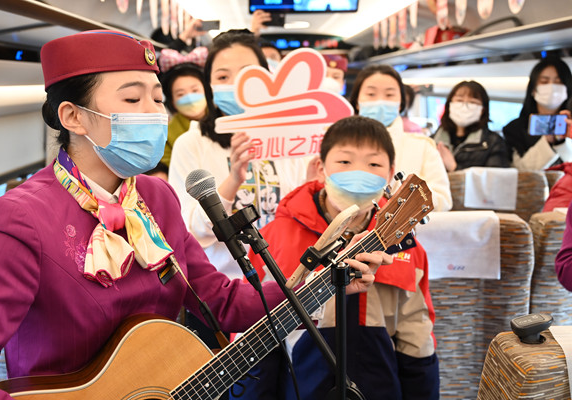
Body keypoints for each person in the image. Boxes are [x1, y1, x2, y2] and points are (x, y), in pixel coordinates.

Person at [0, 30, 381, 398]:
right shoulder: (17, 219)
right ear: (73, 117)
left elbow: (217, 300)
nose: (154, 113)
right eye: (133, 99)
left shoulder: (157, 197)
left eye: (157, 99)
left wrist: (323, 282)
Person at [230, 116, 439, 400]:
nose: (359, 172)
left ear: (390, 174)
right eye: (345, 162)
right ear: (320, 167)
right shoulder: (274, 239)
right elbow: (255, 335)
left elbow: (417, 338)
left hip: (380, 389)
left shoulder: (406, 246)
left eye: (373, 164)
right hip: (300, 389)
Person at [168, 30, 312, 281]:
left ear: (267, 79)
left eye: (248, 74)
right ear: (209, 86)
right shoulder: (191, 144)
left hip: (291, 283)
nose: (235, 84)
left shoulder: (291, 139)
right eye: (223, 76)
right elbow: (190, 233)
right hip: (224, 288)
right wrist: (233, 179)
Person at [349, 64, 453, 211]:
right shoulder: (336, 145)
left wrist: (405, 199)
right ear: (357, 102)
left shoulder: (422, 148)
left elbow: (443, 201)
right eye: (371, 94)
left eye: (389, 95)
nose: (380, 101)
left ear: (400, 104)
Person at [503, 56, 572, 170]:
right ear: (533, 89)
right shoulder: (514, 129)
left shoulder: (570, 125)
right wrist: (547, 141)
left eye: (558, 82)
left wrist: (562, 140)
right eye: (544, 82)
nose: (552, 87)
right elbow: (519, 171)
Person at [432, 80, 509, 172]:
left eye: (472, 102)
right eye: (459, 101)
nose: (465, 107)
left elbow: (496, 180)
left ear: (482, 110)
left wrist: (454, 168)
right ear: (449, 105)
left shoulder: (493, 143)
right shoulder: (432, 141)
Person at [158, 61, 208, 169]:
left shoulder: (224, 118)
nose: (190, 98)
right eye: (181, 94)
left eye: (195, 90)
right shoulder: (167, 135)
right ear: (172, 102)